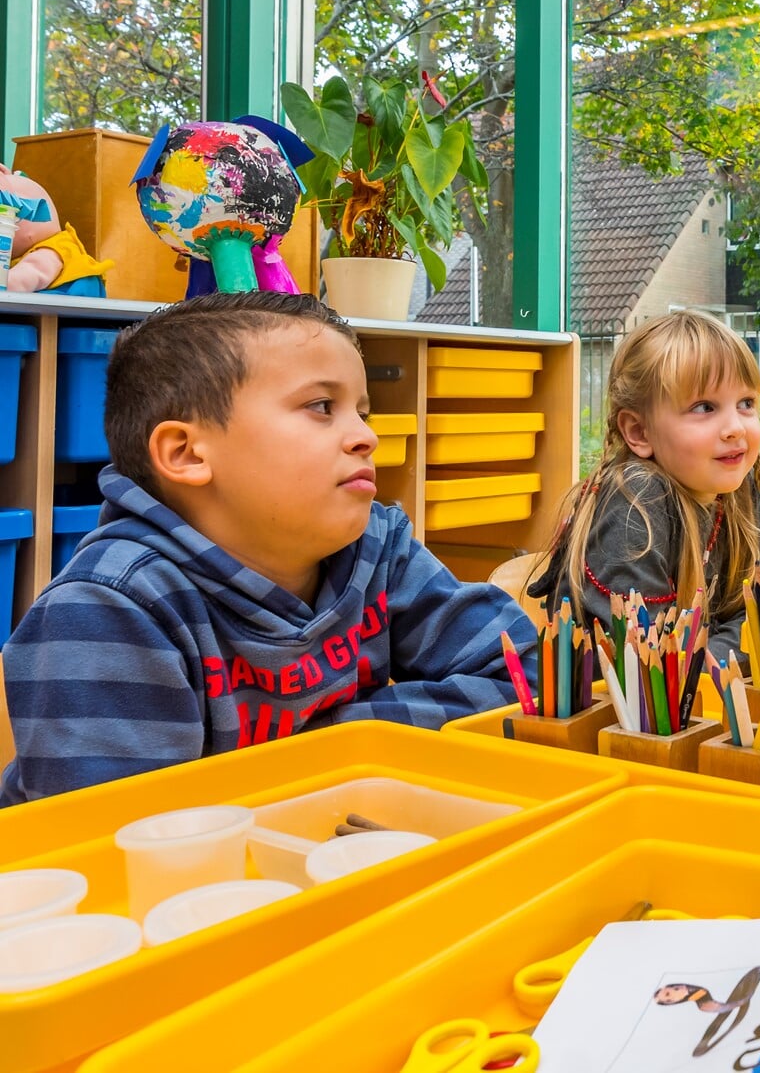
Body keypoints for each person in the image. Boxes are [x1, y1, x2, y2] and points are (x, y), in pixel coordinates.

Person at [0, 292, 535, 805]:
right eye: (322, 406)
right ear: (186, 454)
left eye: (363, 412)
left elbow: (522, 677)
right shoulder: (108, 609)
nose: (365, 437)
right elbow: (121, 848)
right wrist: (343, 754)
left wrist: (334, 742)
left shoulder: (376, 545)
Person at [528, 309, 760, 669]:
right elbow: (654, 666)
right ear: (639, 432)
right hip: (610, 713)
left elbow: (759, 622)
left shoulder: (741, 489)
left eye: (746, 403)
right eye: (704, 407)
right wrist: (733, 653)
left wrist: (727, 651)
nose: (736, 427)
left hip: (694, 707)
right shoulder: (636, 502)